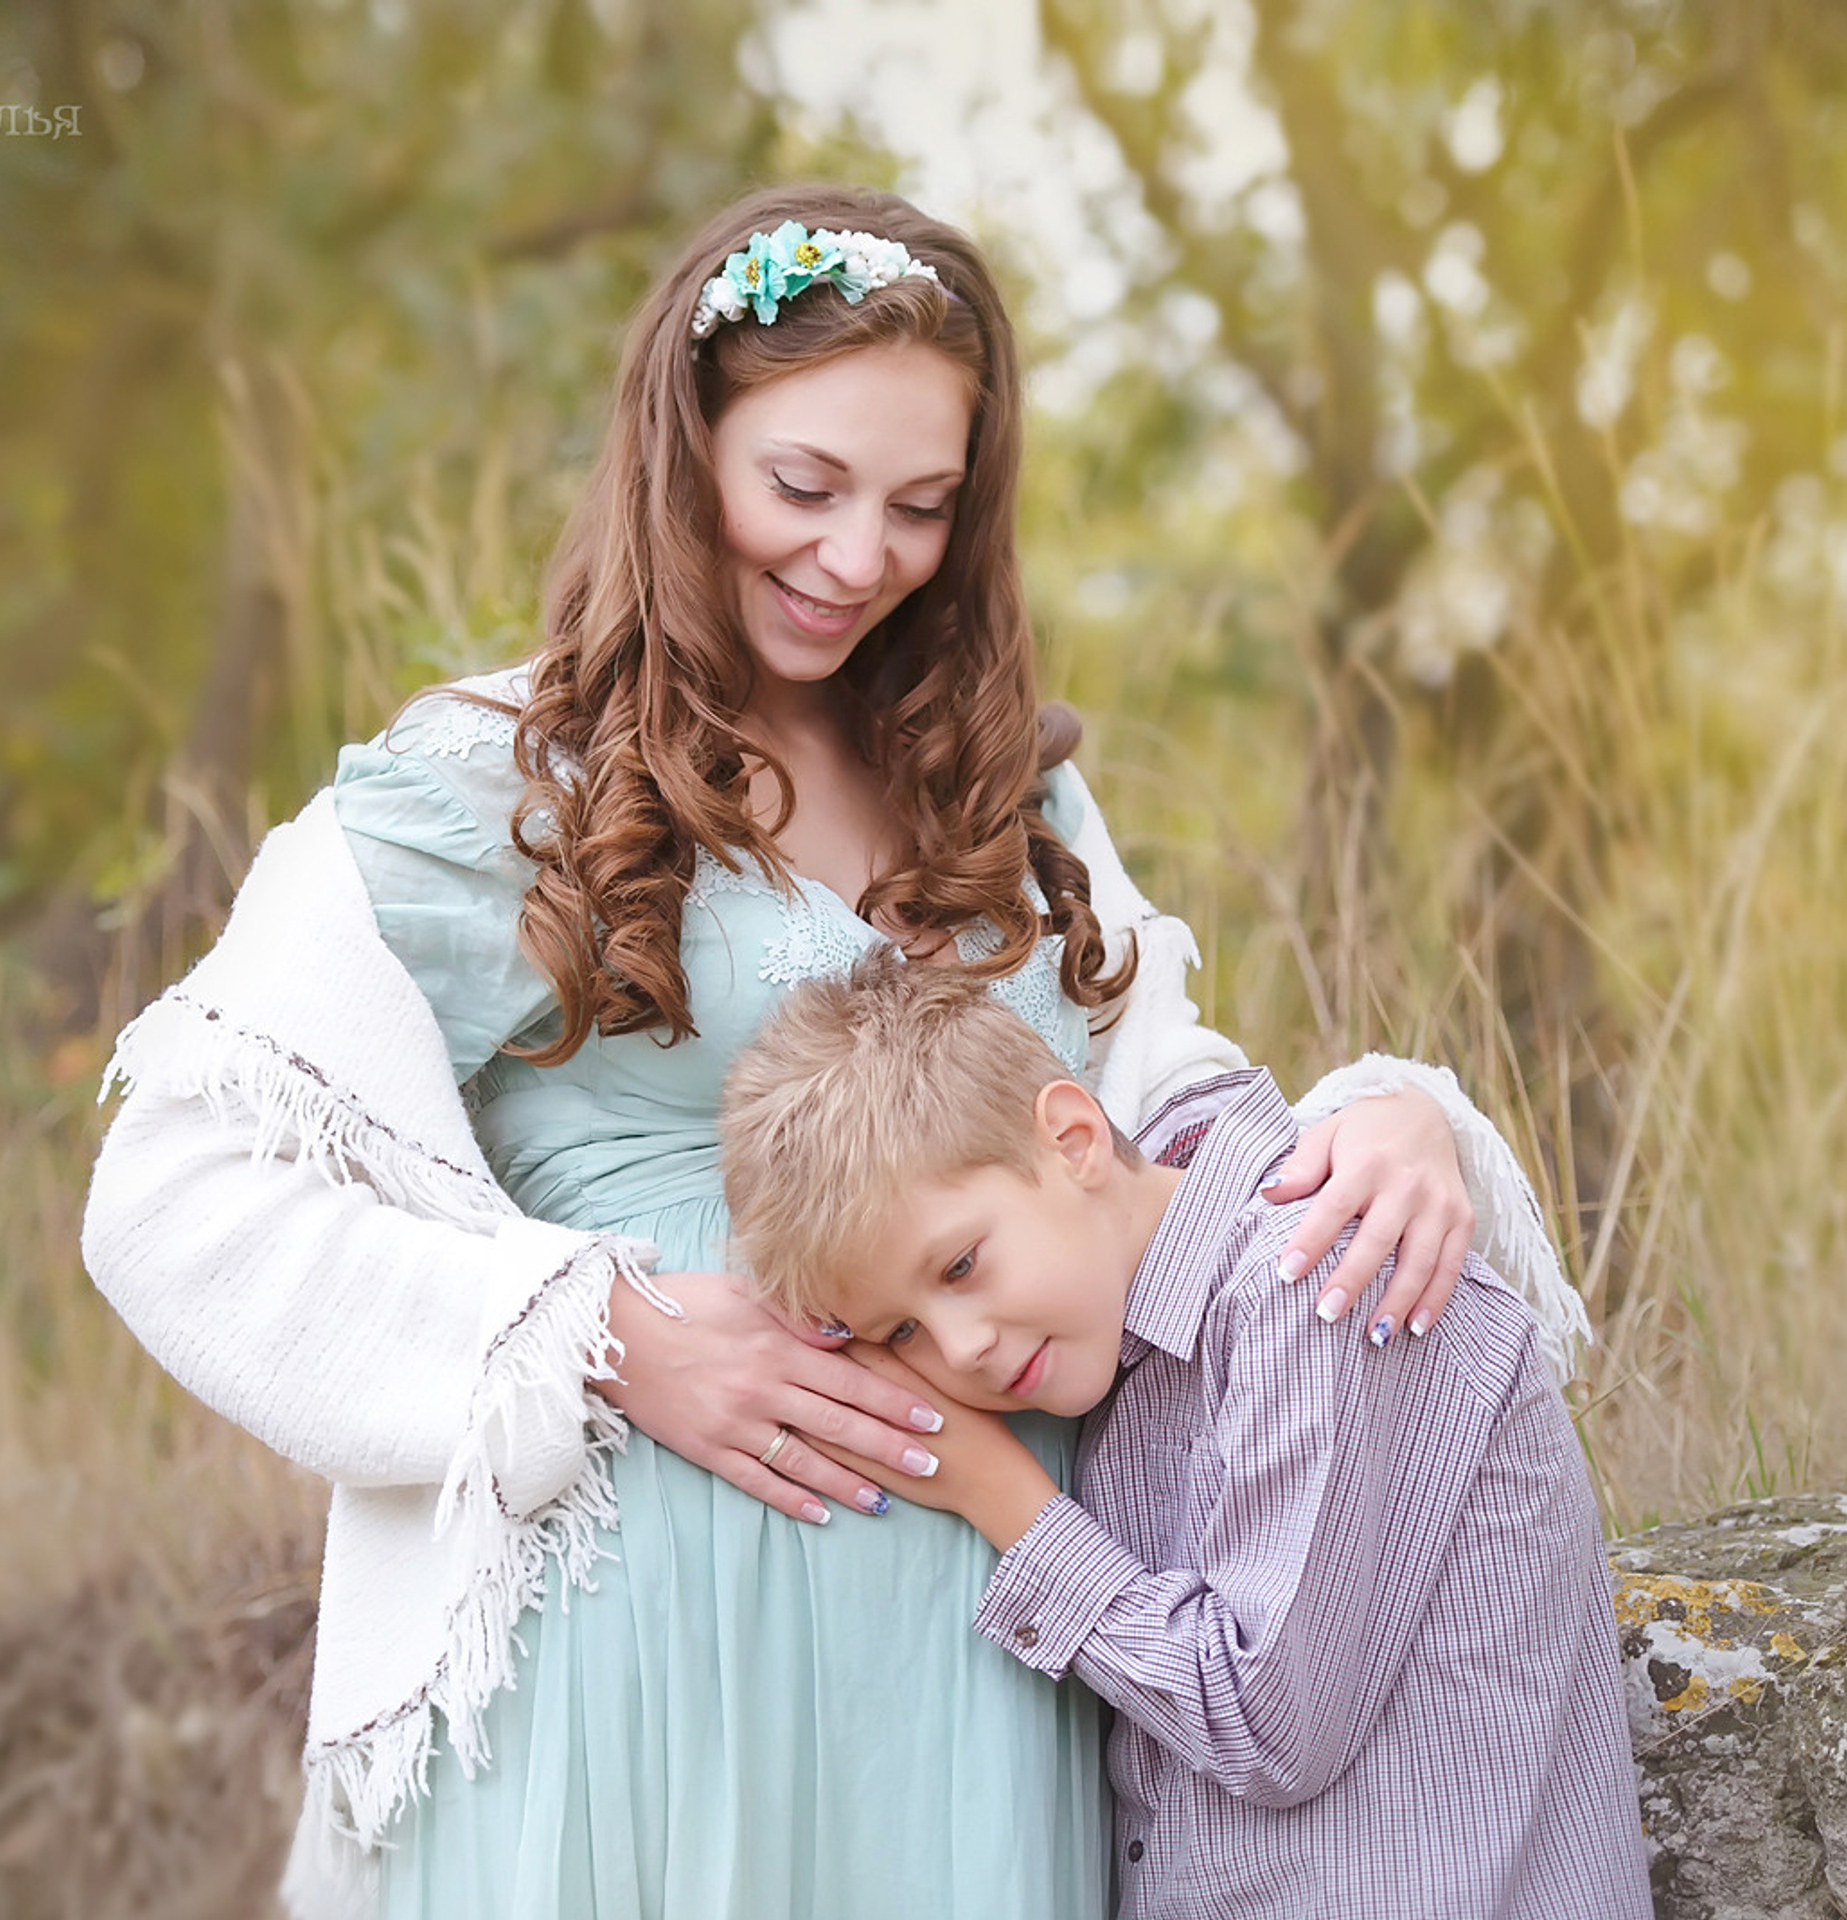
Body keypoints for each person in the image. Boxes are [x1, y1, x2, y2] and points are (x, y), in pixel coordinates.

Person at [81, 184, 1589, 1920]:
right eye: (804, 486)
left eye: (921, 506)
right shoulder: (503, 785)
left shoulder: (998, 789)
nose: (860, 556)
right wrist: (601, 1340)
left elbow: (1140, 1105)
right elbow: (173, 1186)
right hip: (635, 1668)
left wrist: (1390, 1113)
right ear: (685, 441)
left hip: (976, 1689)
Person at [718, 952, 1651, 1920]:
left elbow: (1272, 1725)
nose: (963, 1351)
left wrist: (1003, 1499)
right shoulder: (1116, 1339)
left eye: (959, 1266)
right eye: (901, 1333)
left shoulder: (1312, 1277)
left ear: (1075, 1140)